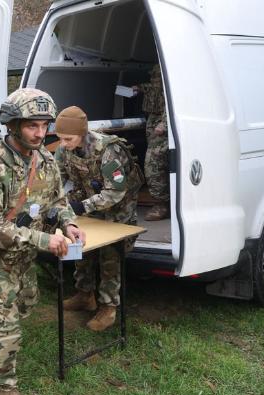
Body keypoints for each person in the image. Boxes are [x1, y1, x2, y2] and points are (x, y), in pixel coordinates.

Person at [0, 88, 85, 395]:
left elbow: (57, 200)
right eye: (32, 126)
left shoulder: (45, 159)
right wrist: (44, 241)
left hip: (25, 257)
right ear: (14, 125)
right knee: (8, 328)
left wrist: (69, 223)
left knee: (26, 304)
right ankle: (5, 385)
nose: (40, 133)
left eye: (44, 126)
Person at [54, 106, 143, 331]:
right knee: (80, 246)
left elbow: (115, 192)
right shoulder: (64, 149)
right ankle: (85, 295)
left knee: (110, 256)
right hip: (88, 202)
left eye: (68, 138)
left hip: (117, 208)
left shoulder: (109, 151)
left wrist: (81, 206)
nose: (63, 143)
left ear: (82, 133)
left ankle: (108, 308)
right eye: (60, 138)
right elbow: (56, 180)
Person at [133, 64, 169, 221]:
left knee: (152, 162)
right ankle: (166, 198)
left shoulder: (175, 69)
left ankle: (161, 203)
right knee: (160, 161)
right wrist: (139, 88)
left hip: (165, 121)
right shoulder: (158, 69)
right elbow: (155, 87)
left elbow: (177, 95)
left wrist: (165, 123)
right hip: (153, 119)